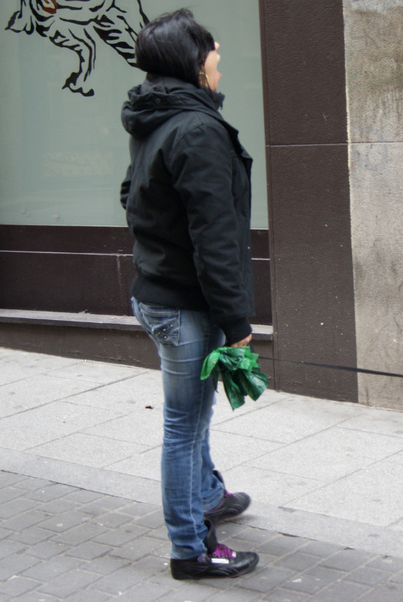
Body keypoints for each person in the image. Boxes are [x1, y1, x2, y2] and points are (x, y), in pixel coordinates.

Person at [119, 9, 258, 580]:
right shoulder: (195, 128)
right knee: (185, 425)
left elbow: (132, 194)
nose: (218, 56)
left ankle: (207, 494)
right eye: (211, 51)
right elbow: (214, 237)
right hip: (183, 305)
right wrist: (236, 322)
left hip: (157, 294)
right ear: (192, 63)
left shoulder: (157, 116)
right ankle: (190, 549)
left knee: (191, 420)